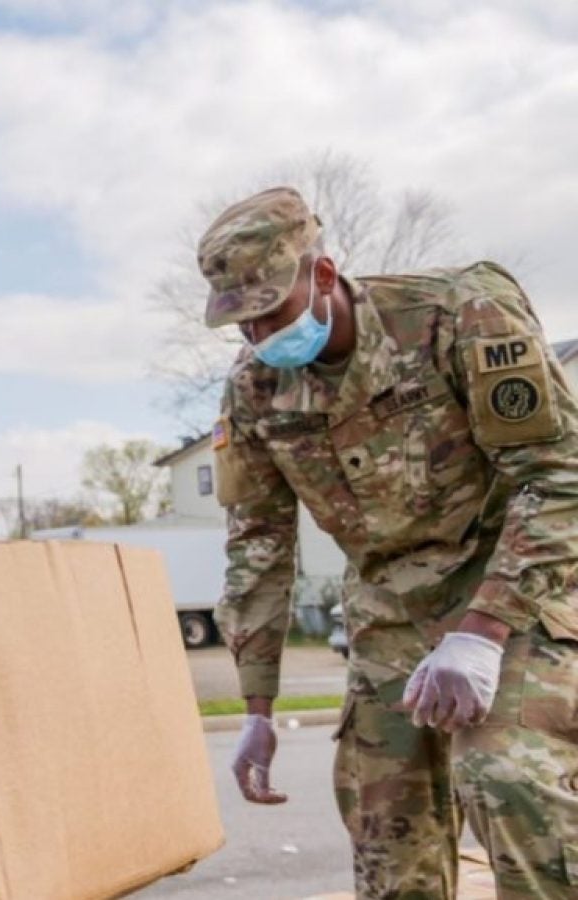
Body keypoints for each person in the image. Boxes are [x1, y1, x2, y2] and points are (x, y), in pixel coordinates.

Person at [205, 187, 578, 899]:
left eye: (270, 312)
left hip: (513, 588)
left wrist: (483, 631)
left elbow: (558, 478)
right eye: (242, 323)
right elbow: (257, 543)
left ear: (322, 276)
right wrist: (257, 708)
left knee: (506, 776)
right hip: (389, 612)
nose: (258, 338)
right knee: (385, 827)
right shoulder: (254, 390)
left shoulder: (459, 312)